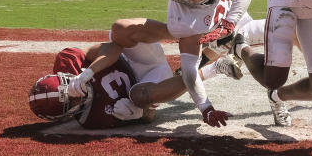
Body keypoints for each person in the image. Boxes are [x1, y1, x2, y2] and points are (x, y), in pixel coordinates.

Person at [107, 0, 257, 127]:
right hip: (212, 33)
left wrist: (230, 22)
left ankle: (217, 50)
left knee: (281, 36)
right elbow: (189, 69)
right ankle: (214, 63)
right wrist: (205, 107)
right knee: (141, 103)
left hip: (235, 21)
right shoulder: (182, 21)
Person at [28, 38, 245, 128]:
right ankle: (214, 59)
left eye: (69, 85)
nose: (77, 93)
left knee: (121, 30)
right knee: (139, 98)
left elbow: (110, 48)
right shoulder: (93, 119)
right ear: (67, 114)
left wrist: (88, 72)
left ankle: (188, 29)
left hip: (134, 57)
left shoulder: (68, 61)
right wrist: (139, 114)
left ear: (62, 75)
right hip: (145, 83)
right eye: (71, 102)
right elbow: (152, 114)